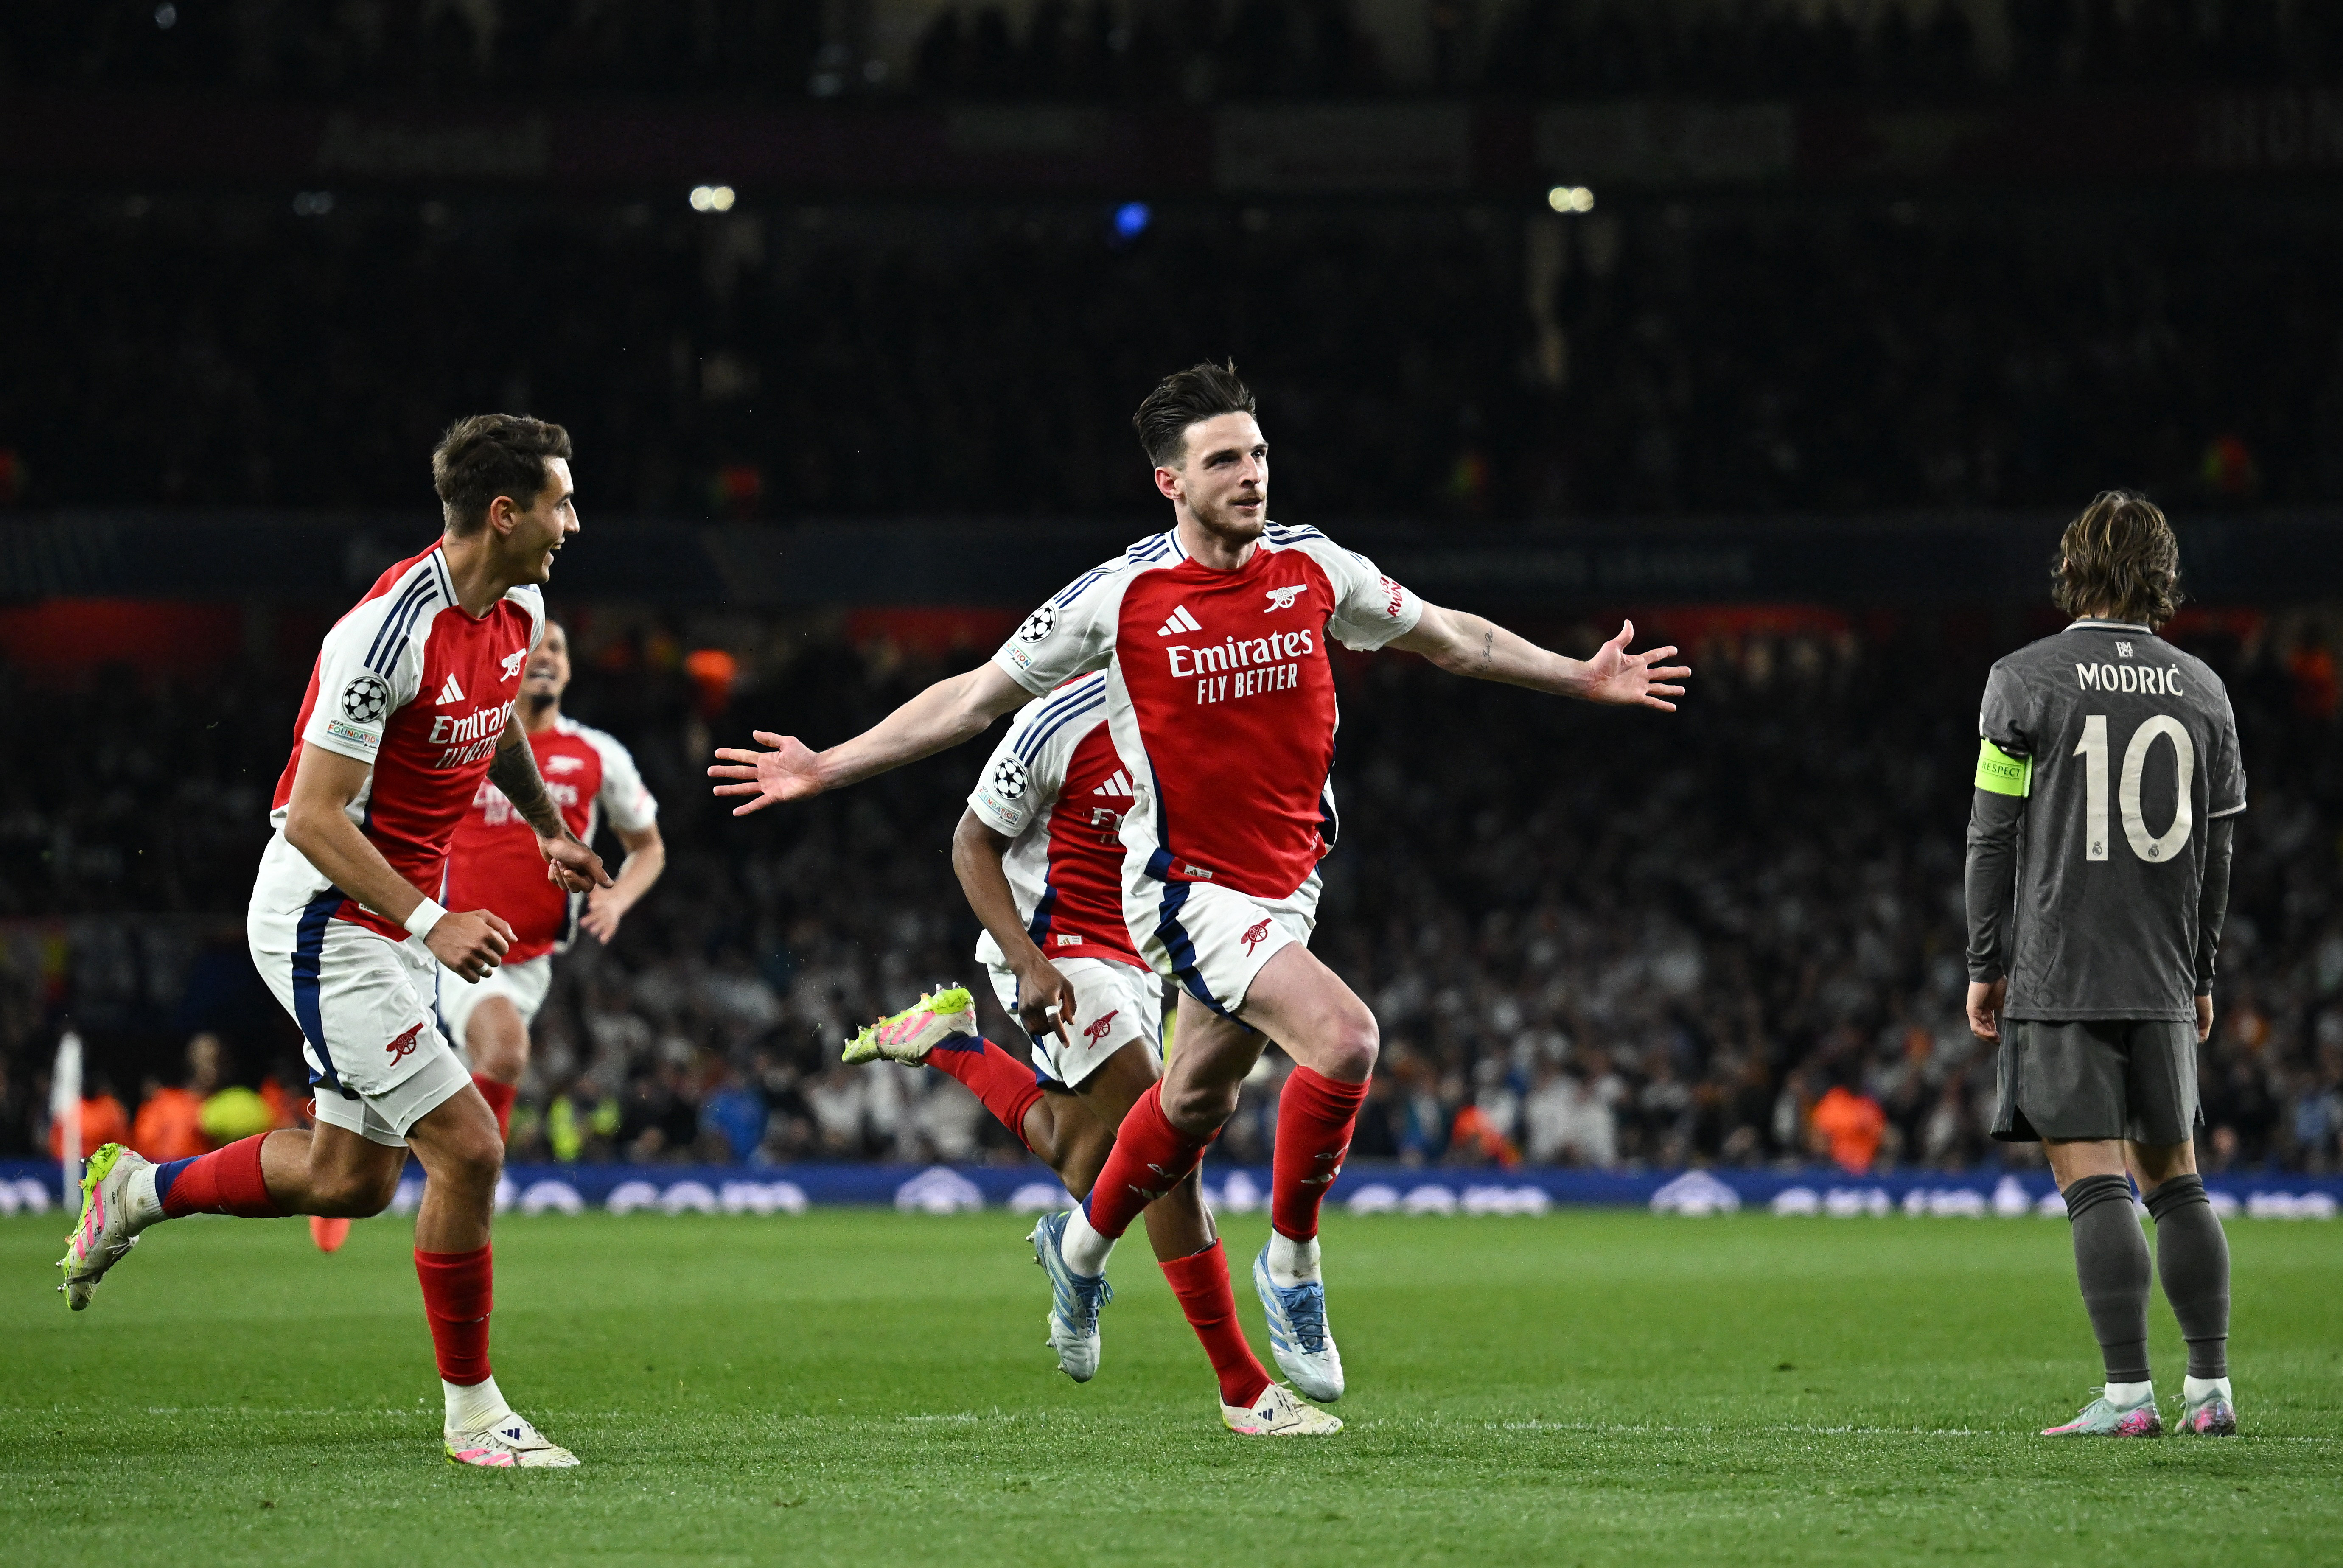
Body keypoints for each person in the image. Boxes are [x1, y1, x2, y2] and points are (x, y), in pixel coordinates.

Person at [712, 361, 1686, 1425]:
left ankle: (1079, 1249)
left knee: (1185, 1111)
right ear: (1169, 483)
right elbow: (971, 698)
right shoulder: (1116, 598)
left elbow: (1452, 638)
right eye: (1223, 459)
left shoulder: (1314, 568)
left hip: (1285, 881)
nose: (1250, 474)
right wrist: (829, 765)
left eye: (1257, 453)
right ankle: (1291, 1274)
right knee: (1346, 1040)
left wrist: (1577, 676)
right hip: (1183, 896)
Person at [58, 414, 611, 1468]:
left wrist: (545, 828)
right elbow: (310, 816)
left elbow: (490, 722)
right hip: (325, 917)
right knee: (470, 1147)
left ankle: (137, 1190)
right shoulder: (380, 636)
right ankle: (475, 1417)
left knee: (352, 1181)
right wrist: (430, 919)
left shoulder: (520, 605)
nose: (573, 522)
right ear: (505, 514)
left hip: (391, 915)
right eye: (560, 502)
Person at [841, 668, 1334, 1435]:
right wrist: (1027, 961)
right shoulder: (1058, 722)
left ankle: (953, 1045)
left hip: (1149, 953)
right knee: (1169, 1152)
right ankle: (1242, 1389)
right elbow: (971, 843)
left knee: (1087, 1161)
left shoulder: (1213, 715)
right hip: (1056, 948)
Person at [1965, 490, 2242, 1439]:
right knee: (2178, 1180)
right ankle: (2211, 1392)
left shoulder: (2022, 680)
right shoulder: (2205, 691)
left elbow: (1991, 836)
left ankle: (2128, 1397)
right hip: (2162, 972)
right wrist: (2201, 974)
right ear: (2162, 573)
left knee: (2094, 1182)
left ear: (2071, 565)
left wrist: (1984, 960)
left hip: (2061, 967)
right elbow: (2218, 854)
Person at [433, 619, 663, 1144]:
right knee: (508, 1052)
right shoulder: (465, 737)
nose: (546, 655)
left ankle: (390, 1167)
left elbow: (648, 847)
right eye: (532, 645)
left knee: (470, 1086)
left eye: (557, 647)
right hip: (456, 943)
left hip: (533, 960)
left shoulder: (597, 753)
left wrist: (619, 897)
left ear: (568, 668)